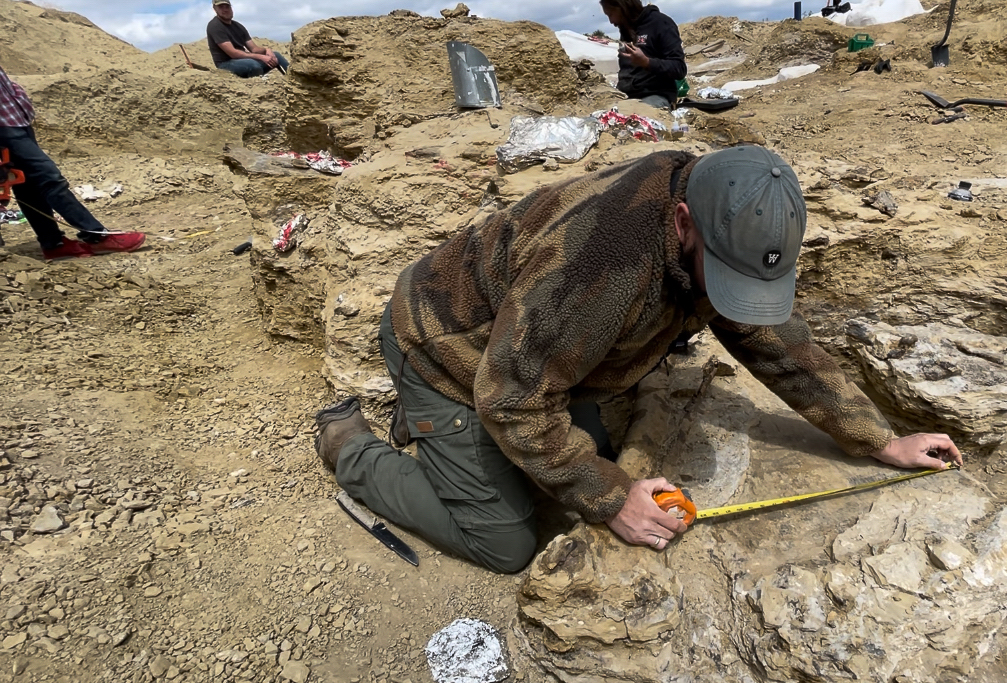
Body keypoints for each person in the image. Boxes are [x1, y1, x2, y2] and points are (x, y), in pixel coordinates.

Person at [313, 145, 962, 574]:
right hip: (440, 346)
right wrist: (612, 496)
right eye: (726, 277)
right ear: (682, 223)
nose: (735, 299)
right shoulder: (600, 264)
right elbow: (511, 398)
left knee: (581, 442)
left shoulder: (727, 216)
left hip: (519, 347)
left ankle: (440, 436)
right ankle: (353, 446)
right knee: (507, 540)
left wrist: (878, 439)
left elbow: (780, 345)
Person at [0, 66, 145, 260]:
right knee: (49, 178)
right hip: (4, 128)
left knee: (29, 186)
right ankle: (96, 235)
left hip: (16, 120)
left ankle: (53, 243)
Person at [600, 0, 686, 110]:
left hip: (655, 96)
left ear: (623, 7)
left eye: (611, 14)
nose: (611, 21)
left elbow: (679, 68)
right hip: (627, 97)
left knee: (635, 119)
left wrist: (646, 62)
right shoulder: (626, 29)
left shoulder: (660, 23)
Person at [206, 0, 289, 79]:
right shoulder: (215, 26)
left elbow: (254, 49)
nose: (225, 10)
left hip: (243, 60)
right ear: (215, 9)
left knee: (276, 56)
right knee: (253, 65)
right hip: (225, 63)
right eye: (221, 7)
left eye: (227, 7)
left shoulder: (238, 26)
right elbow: (233, 53)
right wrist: (261, 57)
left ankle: (294, 80)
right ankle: (256, 88)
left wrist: (266, 51)